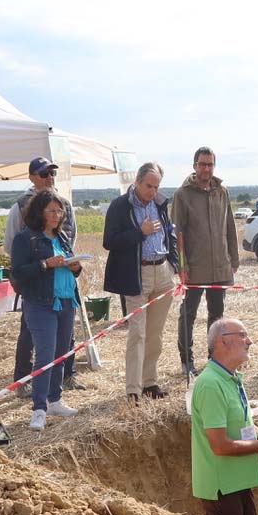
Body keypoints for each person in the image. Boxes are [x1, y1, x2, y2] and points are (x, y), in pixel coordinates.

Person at [190, 317, 258, 515]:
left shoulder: (231, 378)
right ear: (222, 341)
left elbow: (240, 424)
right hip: (222, 487)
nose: (249, 341)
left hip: (238, 481)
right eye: (242, 335)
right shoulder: (210, 384)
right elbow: (220, 445)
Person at [102, 162, 179, 404]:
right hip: (137, 274)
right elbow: (109, 241)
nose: (152, 191)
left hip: (163, 273)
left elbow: (170, 234)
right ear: (136, 181)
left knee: (155, 334)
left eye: (156, 187)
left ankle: (149, 383)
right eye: (148, 186)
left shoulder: (160, 204)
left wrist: (174, 264)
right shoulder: (119, 207)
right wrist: (140, 232)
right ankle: (133, 390)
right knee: (138, 333)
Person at [4, 157, 82, 395]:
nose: (49, 178)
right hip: (36, 284)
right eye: (43, 173)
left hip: (62, 283)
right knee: (29, 333)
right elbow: (11, 244)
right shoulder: (19, 207)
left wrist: (67, 263)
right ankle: (23, 380)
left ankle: (67, 376)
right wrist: (41, 263)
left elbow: (70, 236)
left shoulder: (65, 203)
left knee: (65, 336)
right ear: (31, 177)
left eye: (52, 174)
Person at [11, 190, 84, 431]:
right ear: (39, 212)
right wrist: (45, 264)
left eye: (59, 211)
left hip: (65, 301)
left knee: (61, 353)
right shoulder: (25, 239)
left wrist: (75, 267)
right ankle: (39, 408)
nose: (57, 215)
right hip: (41, 303)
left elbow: (73, 269)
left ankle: (55, 400)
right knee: (45, 355)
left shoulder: (62, 236)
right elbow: (18, 272)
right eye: (51, 210)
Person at [174, 147, 239, 376]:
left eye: (210, 164)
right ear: (194, 166)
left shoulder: (222, 191)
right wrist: (182, 267)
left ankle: (214, 359)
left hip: (220, 265)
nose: (206, 168)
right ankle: (186, 360)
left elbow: (230, 226)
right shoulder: (183, 195)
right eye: (202, 164)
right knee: (188, 315)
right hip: (194, 267)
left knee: (217, 316)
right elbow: (177, 234)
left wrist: (233, 257)